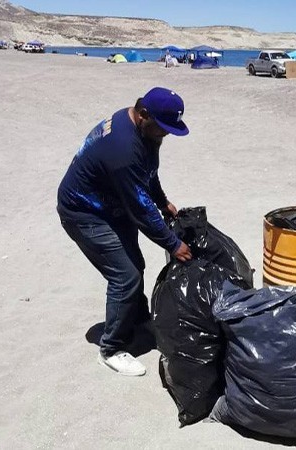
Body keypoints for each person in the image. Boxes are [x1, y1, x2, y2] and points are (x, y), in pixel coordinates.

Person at [57, 87, 193, 376]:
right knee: (125, 275)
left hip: (111, 205)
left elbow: (148, 173)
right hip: (84, 213)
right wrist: (172, 244)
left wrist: (162, 200)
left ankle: (139, 318)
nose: (165, 135)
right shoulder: (122, 147)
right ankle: (111, 349)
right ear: (144, 114)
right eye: (163, 129)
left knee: (135, 264)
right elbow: (140, 210)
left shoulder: (143, 130)